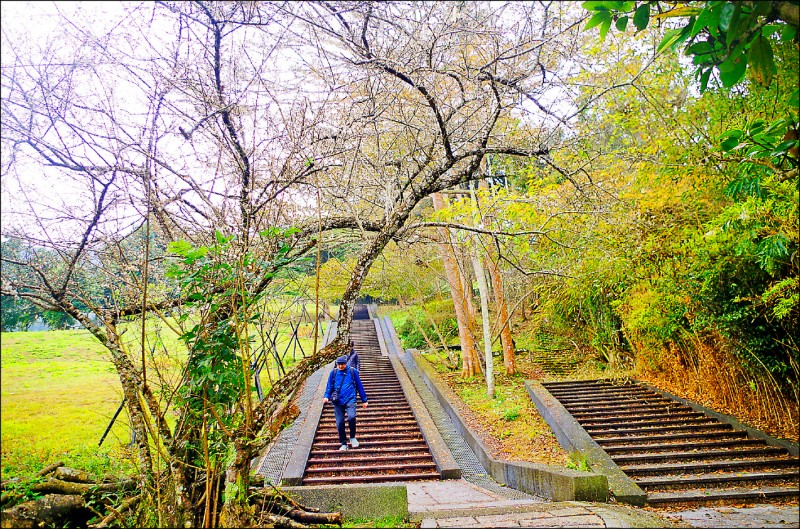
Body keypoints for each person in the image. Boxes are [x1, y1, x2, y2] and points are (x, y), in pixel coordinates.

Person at [324, 355, 368, 451]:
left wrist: (364, 400)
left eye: (342, 364)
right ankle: (343, 443)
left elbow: (359, 385)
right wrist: (326, 396)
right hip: (337, 401)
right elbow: (329, 386)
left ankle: (352, 437)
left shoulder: (352, 371)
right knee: (340, 422)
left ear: (346, 363)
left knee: (352, 417)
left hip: (350, 399)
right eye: (338, 364)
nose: (340, 366)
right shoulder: (334, 373)